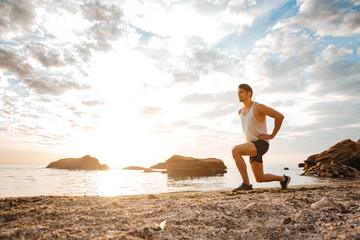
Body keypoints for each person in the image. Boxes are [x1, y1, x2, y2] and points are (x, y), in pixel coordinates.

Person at [232, 83, 291, 191]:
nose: (239, 94)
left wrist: (272, 135)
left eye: (241, 92)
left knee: (235, 150)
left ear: (249, 93)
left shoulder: (258, 107)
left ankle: (246, 184)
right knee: (260, 178)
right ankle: (283, 179)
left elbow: (279, 116)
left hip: (261, 143)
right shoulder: (240, 111)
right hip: (252, 145)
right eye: (238, 92)